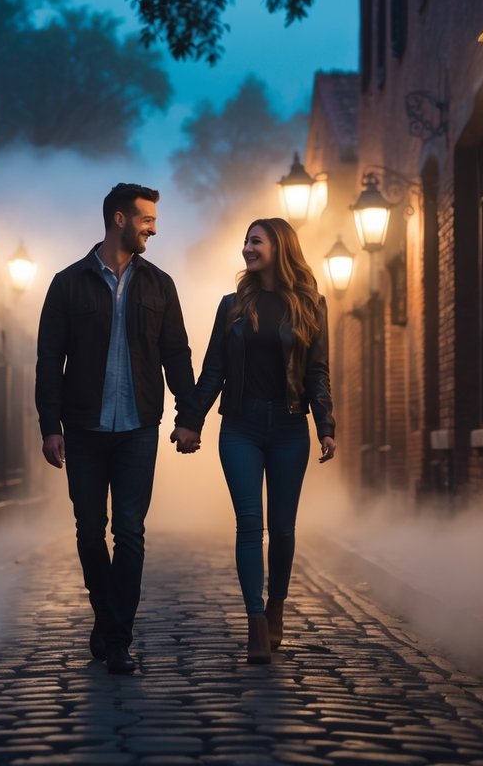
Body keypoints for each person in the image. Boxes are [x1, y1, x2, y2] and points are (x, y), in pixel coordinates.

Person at [36, 183, 201, 675]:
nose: (154, 228)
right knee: (90, 531)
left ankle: (117, 639)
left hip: (138, 428)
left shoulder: (160, 285)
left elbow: (177, 355)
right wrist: (50, 426)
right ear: (119, 219)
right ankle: (107, 618)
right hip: (83, 428)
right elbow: (49, 361)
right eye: (147, 219)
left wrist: (188, 418)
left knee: (129, 531)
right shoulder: (68, 284)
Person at [174, 217, 336, 664]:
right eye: (245, 241)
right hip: (240, 427)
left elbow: (317, 371)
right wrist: (190, 421)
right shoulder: (232, 306)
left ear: (279, 247)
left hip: (289, 428)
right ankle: (255, 624)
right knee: (250, 523)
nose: (247, 248)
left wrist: (325, 425)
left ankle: (276, 607)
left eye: (256, 241)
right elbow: (213, 370)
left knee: (282, 529)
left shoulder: (311, 304)